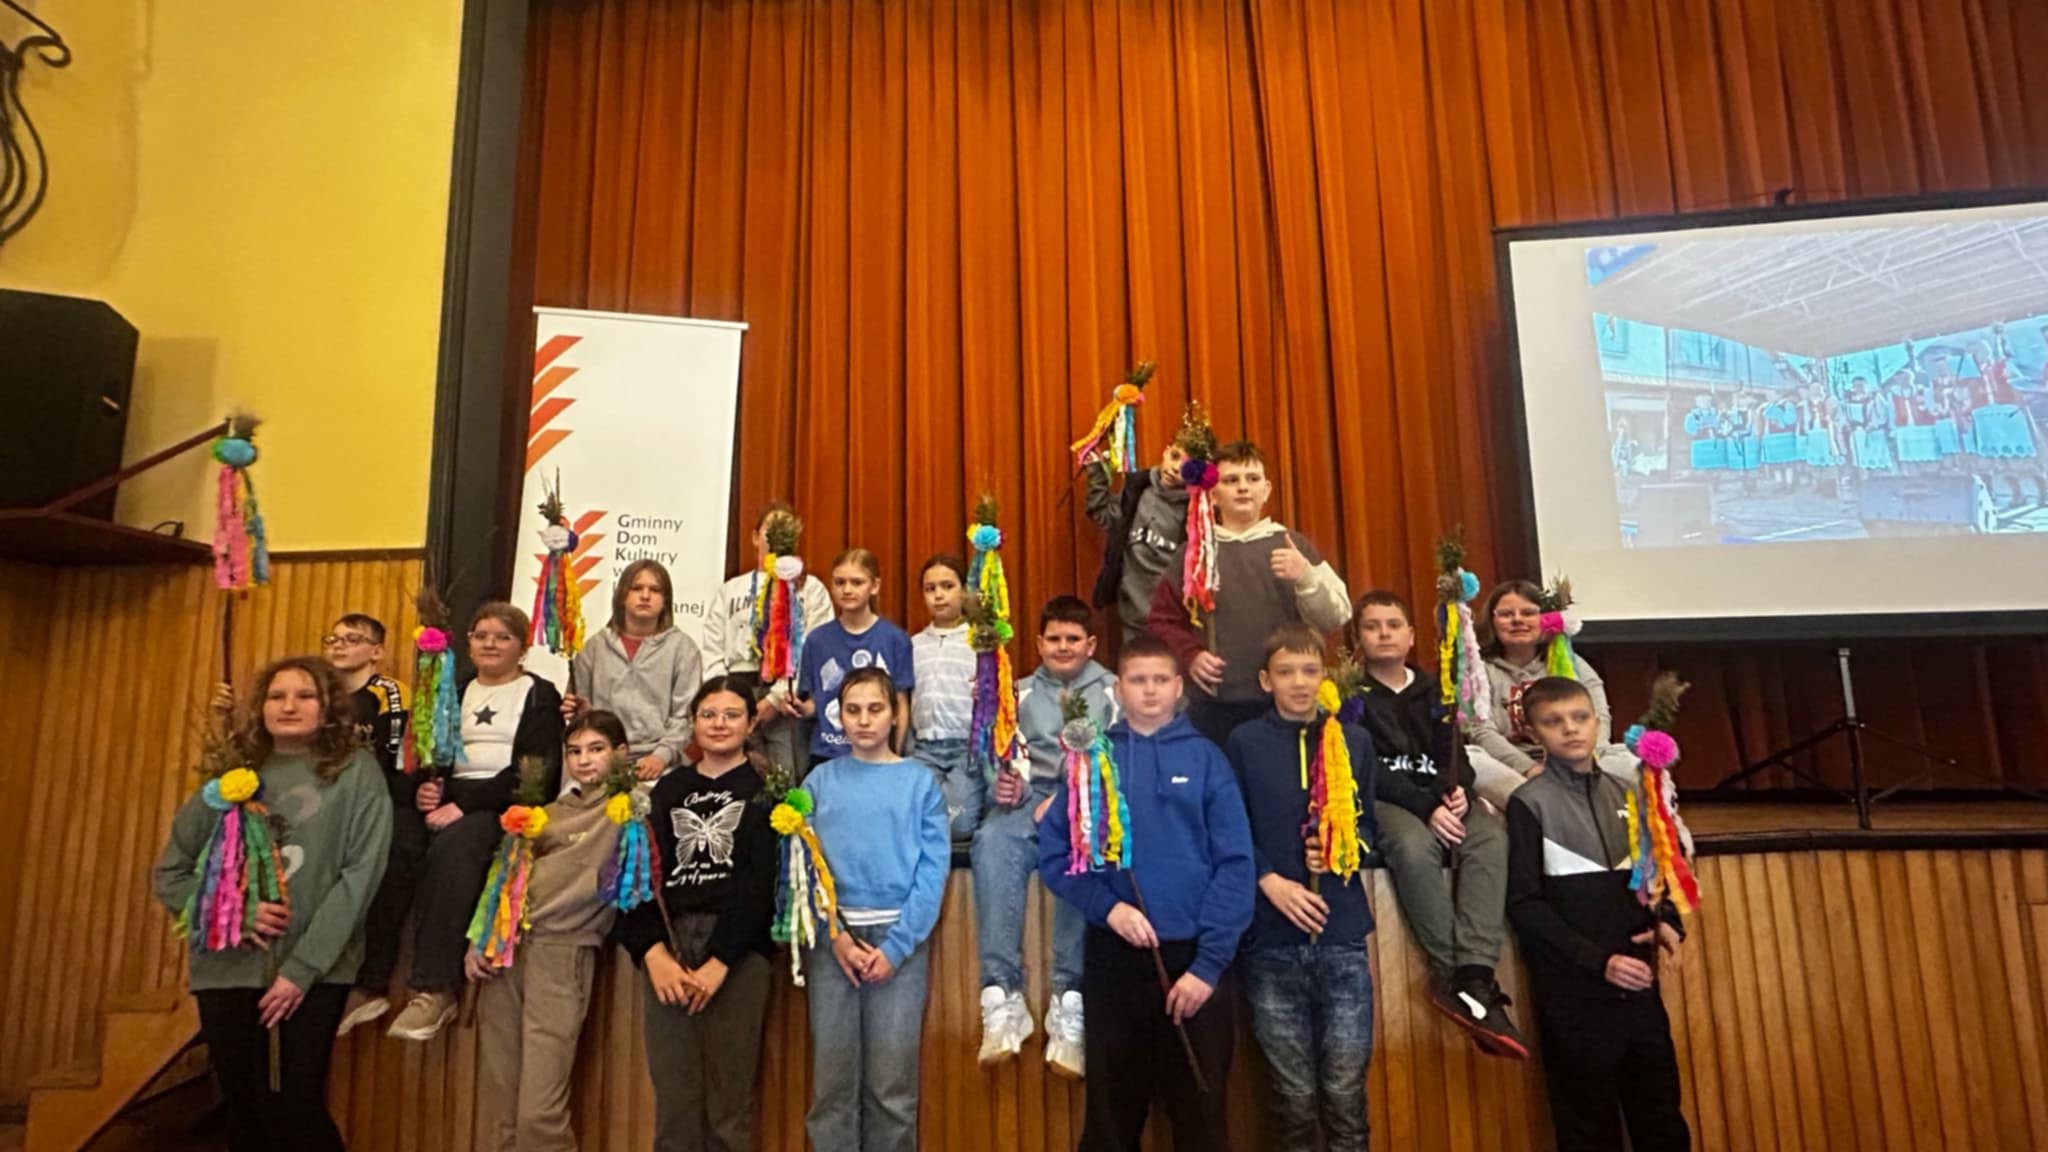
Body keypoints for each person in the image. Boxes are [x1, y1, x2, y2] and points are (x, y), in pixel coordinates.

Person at [152, 657, 393, 1152]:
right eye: (276, 696)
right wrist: (235, 916)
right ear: (260, 707)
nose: (289, 706)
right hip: (227, 970)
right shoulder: (230, 775)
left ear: (328, 707)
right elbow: (171, 873)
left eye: (305, 695)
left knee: (295, 1110)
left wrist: (302, 969)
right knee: (244, 1113)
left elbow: (360, 875)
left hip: (314, 972)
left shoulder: (356, 772)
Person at [1037, 634, 1255, 1152]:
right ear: (1119, 688)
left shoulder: (1207, 759)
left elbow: (1236, 865)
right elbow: (1056, 857)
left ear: (1179, 687)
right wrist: (1109, 908)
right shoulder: (1092, 762)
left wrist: (1208, 967)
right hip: (1116, 960)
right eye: (1138, 680)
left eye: (1161, 680)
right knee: (1111, 1122)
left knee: (1202, 1122)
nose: (1150, 690)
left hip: (1196, 964)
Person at [1506, 677, 1690, 1152]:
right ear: (1533, 733)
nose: (1570, 729)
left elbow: (1658, 876)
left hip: (1640, 992)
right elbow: (1524, 904)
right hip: (1574, 997)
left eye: (1580, 718)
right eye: (1554, 721)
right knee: (1589, 1129)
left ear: (1597, 722)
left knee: (1661, 1118)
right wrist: (1597, 962)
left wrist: (1669, 921)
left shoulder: (1629, 793)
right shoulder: (1529, 804)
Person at [1348, 592, 1525, 1058]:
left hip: (1439, 796)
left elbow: (1456, 754)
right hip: (1389, 800)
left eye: (1393, 624)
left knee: (1489, 834)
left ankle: (1475, 972)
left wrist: (1457, 789)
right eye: (1372, 626)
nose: (1384, 633)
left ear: (1411, 636)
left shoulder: (1437, 690)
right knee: (1412, 846)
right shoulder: (1349, 696)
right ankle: (1453, 976)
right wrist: (1427, 807)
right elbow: (1364, 768)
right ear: (1358, 639)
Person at [1224, 624, 1378, 1152]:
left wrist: (1341, 849)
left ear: (1325, 677)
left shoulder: (1353, 740)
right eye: (1286, 672)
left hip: (1341, 937)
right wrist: (1269, 879)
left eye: (1310, 671)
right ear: (1266, 680)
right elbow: (1231, 828)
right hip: (1270, 940)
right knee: (1291, 1100)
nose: (1299, 682)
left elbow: (1368, 824)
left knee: (1345, 1095)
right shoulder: (1244, 742)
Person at [388, 602, 566, 1042]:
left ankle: (434, 989)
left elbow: (535, 771)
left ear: (522, 648)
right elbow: (434, 754)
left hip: (503, 804)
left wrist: (465, 805)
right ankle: (368, 979)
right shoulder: (456, 691)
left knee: (457, 847)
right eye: (481, 635)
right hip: (453, 798)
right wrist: (429, 790)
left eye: (502, 637)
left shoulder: (538, 693)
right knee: (395, 842)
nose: (490, 643)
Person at [615, 677, 778, 1152]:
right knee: (675, 1100)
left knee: (730, 1103)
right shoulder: (668, 789)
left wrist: (721, 961)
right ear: (692, 722)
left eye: (731, 715)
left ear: (751, 723)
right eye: (708, 715)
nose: (719, 724)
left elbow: (762, 885)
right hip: (670, 946)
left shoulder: (766, 788)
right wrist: (653, 954)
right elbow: (637, 876)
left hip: (738, 952)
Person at [802, 667, 951, 1152]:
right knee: (832, 1087)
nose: (864, 720)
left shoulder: (920, 782)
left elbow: (932, 871)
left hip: (897, 944)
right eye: (853, 710)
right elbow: (804, 865)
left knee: (892, 1089)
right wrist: (834, 934)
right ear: (839, 717)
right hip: (835, 943)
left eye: (874, 709)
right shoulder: (819, 781)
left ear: (894, 715)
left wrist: (898, 947)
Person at [468, 709, 629, 1152]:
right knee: (506, 1111)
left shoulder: (627, 810)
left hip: (562, 950)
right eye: (574, 751)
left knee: (539, 1113)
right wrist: (483, 937)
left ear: (621, 753)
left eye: (596, 749)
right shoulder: (546, 813)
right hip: (508, 951)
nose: (584, 760)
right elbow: (504, 880)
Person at [973, 594, 1117, 1075]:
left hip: (1089, 802)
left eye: (1073, 639)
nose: (1063, 647)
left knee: (1083, 847)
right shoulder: (1018, 693)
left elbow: (1118, 757)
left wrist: (1072, 797)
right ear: (1038, 643)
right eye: (1054, 638)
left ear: (1091, 644)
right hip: (1031, 798)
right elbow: (998, 756)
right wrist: (1003, 786)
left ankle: (1068, 1000)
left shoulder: (1113, 690)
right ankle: (1002, 995)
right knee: (992, 841)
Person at [1146, 439, 1351, 749]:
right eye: (1231, 480)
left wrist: (1306, 576)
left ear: (1266, 490)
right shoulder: (1195, 553)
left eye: (1252, 479)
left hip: (1284, 707)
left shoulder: (1291, 545)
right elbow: (1161, 621)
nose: (1243, 487)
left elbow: (1337, 614)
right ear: (1213, 495)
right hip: (1214, 707)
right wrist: (1190, 655)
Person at [704, 501, 833, 777]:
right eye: (769, 531)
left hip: (785, 697)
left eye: (784, 531)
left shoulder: (811, 589)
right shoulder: (730, 590)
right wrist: (726, 699)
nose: (775, 539)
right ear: (754, 537)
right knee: (734, 777)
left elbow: (814, 648)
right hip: (736, 694)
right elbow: (713, 649)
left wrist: (775, 700)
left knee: (785, 779)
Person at [1465, 580, 1612, 809]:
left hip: (1575, 760)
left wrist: (1586, 762)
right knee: (1472, 758)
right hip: (1513, 769)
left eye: (1528, 613)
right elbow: (1480, 731)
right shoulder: (1478, 671)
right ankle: (1542, 808)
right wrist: (1531, 769)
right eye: (1506, 614)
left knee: (1625, 759)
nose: (1517, 620)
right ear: (1492, 622)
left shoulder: (1572, 664)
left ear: (1546, 619)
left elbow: (1599, 716)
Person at [562, 559, 703, 783]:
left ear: (666, 600)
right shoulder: (594, 648)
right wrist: (583, 715)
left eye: (655, 590)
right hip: (599, 759)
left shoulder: (683, 649)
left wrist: (661, 756)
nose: (645, 596)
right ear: (622, 596)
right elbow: (579, 715)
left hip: (658, 763)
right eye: (637, 588)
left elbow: (685, 717)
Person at [796, 548, 915, 767]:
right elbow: (815, 701)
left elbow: (900, 703)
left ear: (874, 586)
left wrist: (896, 755)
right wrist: (800, 708)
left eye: (857, 582)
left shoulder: (895, 639)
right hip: (828, 754)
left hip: (878, 755)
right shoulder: (816, 640)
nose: (847, 590)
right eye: (840, 582)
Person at [1085, 438, 1192, 643]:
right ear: (1166, 451)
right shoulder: (1137, 490)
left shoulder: (1195, 511)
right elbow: (1105, 516)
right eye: (1175, 456)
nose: (1176, 468)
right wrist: (1097, 474)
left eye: (1187, 466)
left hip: (1173, 622)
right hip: (1132, 616)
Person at [911, 553, 983, 842]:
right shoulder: (914, 645)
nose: (938, 595)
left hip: (965, 750)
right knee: (910, 818)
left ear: (963, 590)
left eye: (947, 586)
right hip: (923, 750)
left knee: (958, 825)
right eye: (930, 589)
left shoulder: (979, 642)